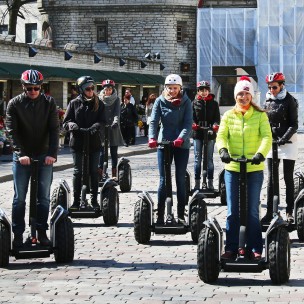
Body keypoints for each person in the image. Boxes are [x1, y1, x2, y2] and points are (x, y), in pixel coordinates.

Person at [216, 76, 272, 260]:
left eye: (246, 93)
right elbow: (221, 136)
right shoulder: (228, 115)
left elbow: (266, 137)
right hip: (232, 167)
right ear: (235, 96)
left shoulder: (260, 115)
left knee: (252, 210)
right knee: (233, 210)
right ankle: (231, 247)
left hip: (253, 168)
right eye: (240, 93)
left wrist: (260, 154)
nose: (243, 97)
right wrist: (223, 150)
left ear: (251, 96)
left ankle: (255, 247)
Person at [6, 69, 59, 248]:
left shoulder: (49, 103)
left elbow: (54, 129)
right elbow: (11, 132)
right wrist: (20, 154)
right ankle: (18, 235)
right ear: (23, 87)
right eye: (29, 88)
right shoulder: (14, 104)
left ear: (41, 87)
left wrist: (52, 153)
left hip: (44, 154)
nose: (33, 91)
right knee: (20, 197)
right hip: (23, 155)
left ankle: (41, 232)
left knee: (43, 197)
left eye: (37, 88)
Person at [148, 74, 192, 224]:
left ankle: (180, 213)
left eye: (175, 88)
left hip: (181, 144)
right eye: (170, 88)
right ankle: (161, 213)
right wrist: (152, 138)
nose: (172, 91)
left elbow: (188, 123)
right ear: (165, 88)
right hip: (164, 142)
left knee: (180, 177)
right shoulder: (160, 101)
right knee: (163, 179)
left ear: (180, 88)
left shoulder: (186, 102)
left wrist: (181, 138)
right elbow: (154, 121)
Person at [261, 72, 298, 224]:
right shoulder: (267, 100)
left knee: (288, 177)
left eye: (275, 87)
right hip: (272, 142)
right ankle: (271, 211)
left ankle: (289, 211)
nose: (272, 90)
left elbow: (294, 124)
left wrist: (284, 138)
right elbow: (264, 121)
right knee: (271, 179)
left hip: (288, 142)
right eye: (270, 87)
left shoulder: (290, 101)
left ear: (282, 85)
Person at [63, 76, 105, 210]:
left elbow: (103, 120)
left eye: (93, 88)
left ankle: (94, 200)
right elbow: (65, 122)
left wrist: (95, 127)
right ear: (81, 89)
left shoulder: (99, 103)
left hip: (93, 142)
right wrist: (72, 126)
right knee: (78, 171)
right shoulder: (74, 103)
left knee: (93, 171)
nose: (91, 91)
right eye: (88, 88)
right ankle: (76, 201)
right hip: (78, 141)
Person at [192, 80, 220, 190]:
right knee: (197, 158)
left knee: (209, 159)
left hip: (210, 133)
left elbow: (217, 118)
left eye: (206, 90)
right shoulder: (194, 103)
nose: (204, 92)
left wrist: (215, 125)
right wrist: (193, 124)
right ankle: (197, 183)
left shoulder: (214, 103)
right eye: (201, 90)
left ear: (208, 91)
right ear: (198, 92)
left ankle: (210, 182)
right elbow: (191, 117)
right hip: (198, 133)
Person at [98, 79, 124, 180]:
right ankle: (101, 172)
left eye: (110, 89)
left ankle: (114, 173)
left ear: (112, 89)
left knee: (113, 151)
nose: (108, 91)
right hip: (102, 127)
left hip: (113, 127)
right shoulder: (99, 99)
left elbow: (117, 113)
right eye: (106, 89)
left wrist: (115, 122)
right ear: (103, 90)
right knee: (102, 152)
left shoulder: (116, 99)